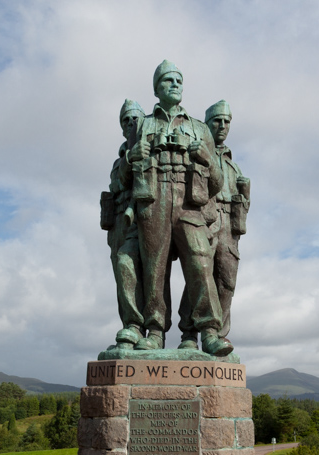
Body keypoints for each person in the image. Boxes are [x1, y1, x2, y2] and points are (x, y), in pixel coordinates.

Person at [126, 60, 232, 356]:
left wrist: (209, 160)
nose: (175, 85)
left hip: (189, 204)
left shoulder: (199, 128)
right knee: (154, 269)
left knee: (201, 263)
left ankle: (209, 331)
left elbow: (218, 182)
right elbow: (125, 172)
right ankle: (155, 331)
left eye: (179, 81)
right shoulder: (144, 124)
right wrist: (133, 156)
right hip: (154, 199)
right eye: (168, 81)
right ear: (156, 88)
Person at [177, 100, 249, 349]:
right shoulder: (195, 150)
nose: (222, 125)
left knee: (227, 281)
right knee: (200, 273)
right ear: (206, 124)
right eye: (217, 120)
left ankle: (219, 333)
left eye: (227, 121)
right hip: (205, 216)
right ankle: (189, 333)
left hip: (230, 222)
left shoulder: (232, 164)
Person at [100, 99, 146, 348]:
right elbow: (117, 184)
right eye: (125, 120)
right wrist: (130, 159)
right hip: (119, 222)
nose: (130, 123)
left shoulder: (152, 149)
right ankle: (131, 327)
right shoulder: (119, 161)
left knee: (147, 275)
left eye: (135, 118)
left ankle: (147, 329)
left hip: (145, 218)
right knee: (123, 275)